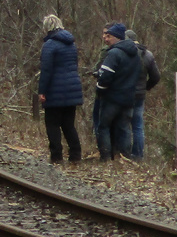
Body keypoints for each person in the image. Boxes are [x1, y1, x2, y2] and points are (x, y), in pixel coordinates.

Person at [36, 14, 83, 164]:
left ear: (46, 27)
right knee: (69, 124)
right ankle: (75, 156)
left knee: (52, 124)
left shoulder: (49, 45)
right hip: (72, 88)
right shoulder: (71, 43)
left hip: (55, 90)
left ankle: (56, 157)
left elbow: (46, 70)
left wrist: (42, 91)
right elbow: (74, 65)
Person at [94, 23, 141, 160]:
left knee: (103, 127)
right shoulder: (135, 54)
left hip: (112, 98)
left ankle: (106, 158)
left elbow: (105, 77)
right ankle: (124, 157)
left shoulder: (114, 53)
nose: (106, 39)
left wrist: (100, 88)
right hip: (129, 98)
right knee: (124, 128)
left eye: (109, 36)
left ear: (117, 37)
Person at [124, 28, 161, 161]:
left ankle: (125, 154)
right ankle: (138, 155)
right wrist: (146, 87)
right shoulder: (148, 55)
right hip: (140, 95)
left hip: (125, 94)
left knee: (124, 124)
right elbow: (156, 77)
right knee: (138, 126)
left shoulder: (124, 53)